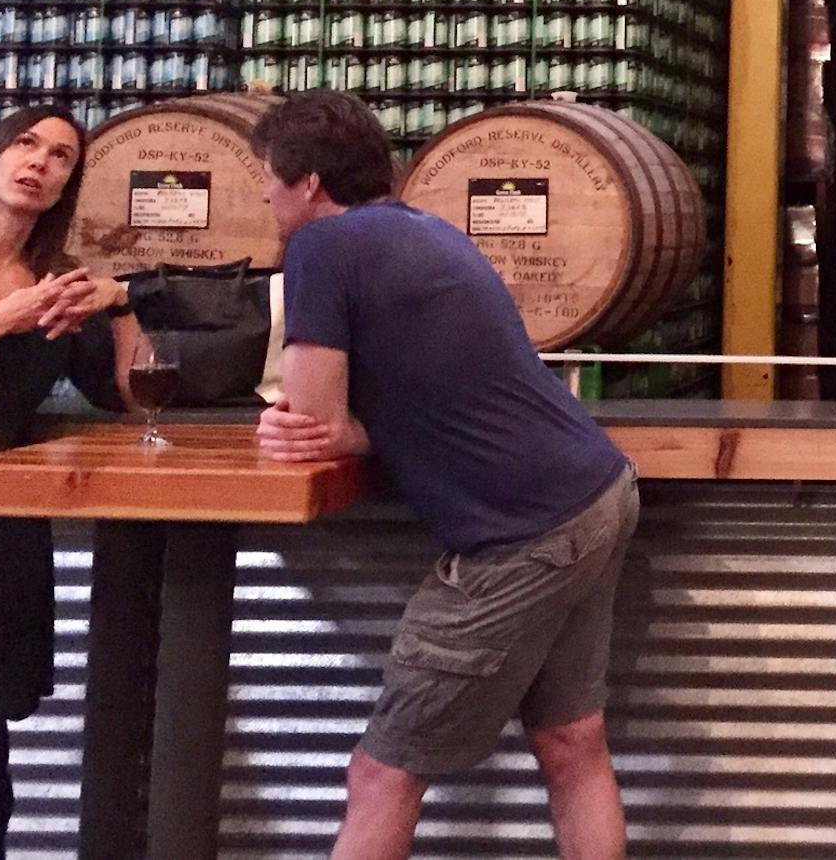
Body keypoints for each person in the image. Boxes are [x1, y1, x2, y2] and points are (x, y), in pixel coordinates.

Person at [252, 92, 639, 860]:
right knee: (571, 740)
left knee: (380, 774)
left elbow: (314, 420)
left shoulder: (321, 247)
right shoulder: (425, 228)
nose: (264, 195)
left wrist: (317, 425)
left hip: (522, 532)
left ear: (308, 182)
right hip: (596, 490)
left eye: (267, 176)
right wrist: (361, 427)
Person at [0, 107, 136, 859]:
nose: (39, 163)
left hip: (0, 514)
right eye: (26, 144)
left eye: (60, 157)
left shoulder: (55, 285)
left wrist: (120, 302)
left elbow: (126, 395)